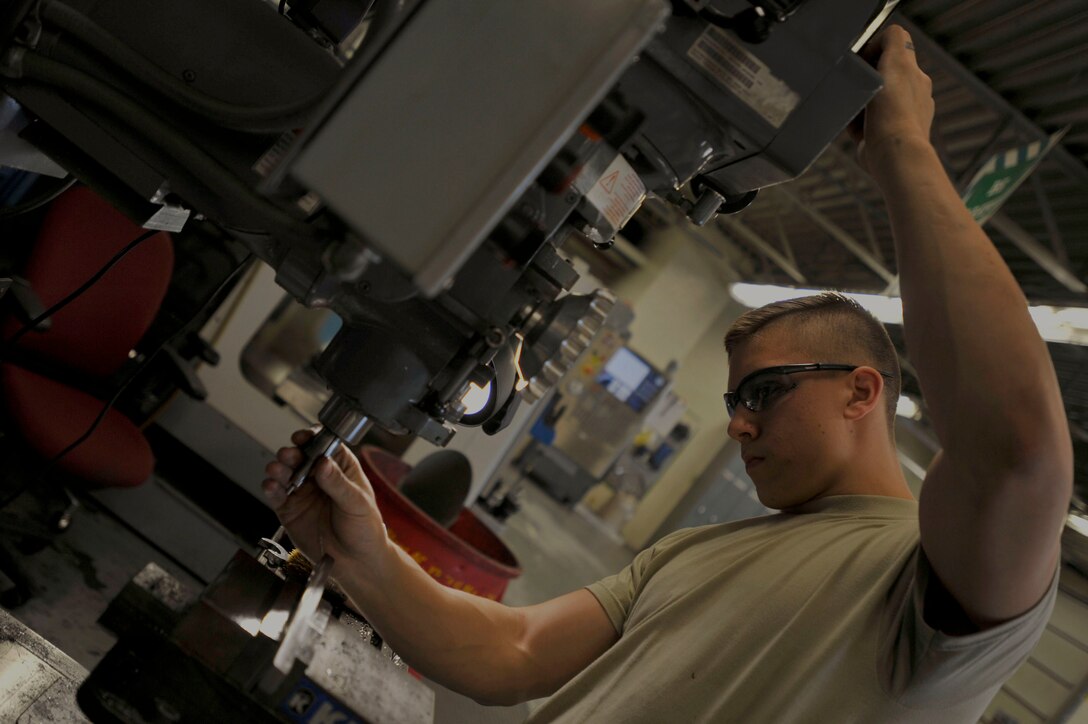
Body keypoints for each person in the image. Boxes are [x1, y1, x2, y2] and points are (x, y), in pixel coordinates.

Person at [262, 25, 1072, 722]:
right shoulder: (691, 555)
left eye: (763, 394)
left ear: (862, 390)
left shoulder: (924, 588)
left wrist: (901, 150)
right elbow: (515, 649)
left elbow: (1017, 454)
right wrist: (362, 558)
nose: (738, 424)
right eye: (735, 400)